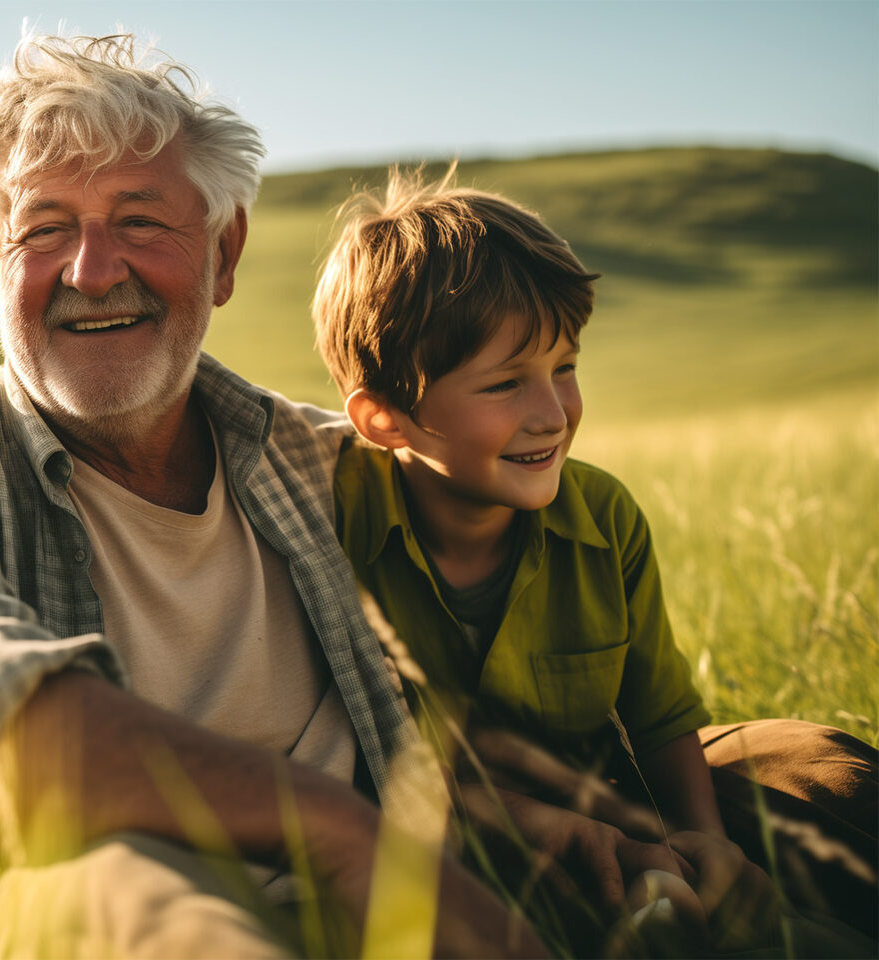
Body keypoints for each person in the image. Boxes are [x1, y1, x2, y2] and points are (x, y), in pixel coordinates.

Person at [0, 33, 544, 958]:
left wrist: (592, 825)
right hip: (111, 922)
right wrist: (329, 824)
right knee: (106, 889)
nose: (92, 270)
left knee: (760, 772)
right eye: (43, 229)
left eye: (141, 221)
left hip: (380, 910)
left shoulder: (326, 464)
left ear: (224, 255)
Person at [313, 168, 877, 953]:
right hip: (455, 828)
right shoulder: (330, 534)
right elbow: (346, 763)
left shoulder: (604, 516)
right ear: (386, 419)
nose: (554, 414)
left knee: (828, 772)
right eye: (507, 383)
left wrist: (702, 837)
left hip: (622, 794)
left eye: (565, 367)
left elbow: (661, 714)